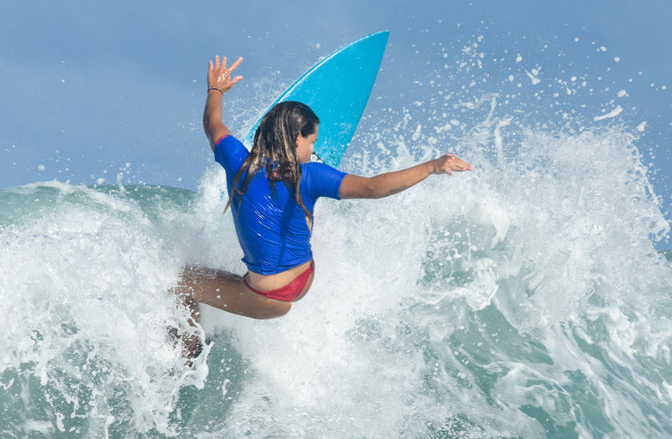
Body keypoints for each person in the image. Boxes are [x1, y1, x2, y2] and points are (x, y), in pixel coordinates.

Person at [174, 55, 472, 355]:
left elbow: (213, 124)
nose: (312, 147)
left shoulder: (236, 159)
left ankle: (188, 352)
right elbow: (372, 187)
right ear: (296, 138)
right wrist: (431, 166)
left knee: (177, 279)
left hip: (267, 297)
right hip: (302, 277)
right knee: (303, 196)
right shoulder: (310, 174)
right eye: (312, 142)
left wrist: (216, 90)